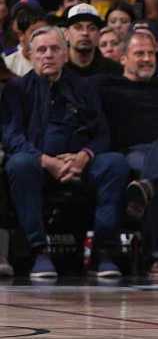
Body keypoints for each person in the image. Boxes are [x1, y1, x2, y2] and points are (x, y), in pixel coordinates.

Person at [1, 26, 129, 279]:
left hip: (79, 163)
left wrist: (84, 156)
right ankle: (39, 251)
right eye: (41, 50)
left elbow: (102, 133)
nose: (48, 55)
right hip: (38, 163)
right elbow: (12, 136)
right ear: (30, 55)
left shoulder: (84, 87)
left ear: (65, 54)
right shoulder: (17, 89)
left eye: (54, 49)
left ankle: (102, 253)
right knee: (19, 164)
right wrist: (46, 161)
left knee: (115, 163)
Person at [95, 31, 158, 276]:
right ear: (123, 58)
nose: (146, 59)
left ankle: (143, 188)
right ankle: (156, 257)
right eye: (139, 53)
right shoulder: (106, 86)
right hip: (127, 154)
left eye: (150, 53)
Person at [63, 3, 123, 77]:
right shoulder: (58, 68)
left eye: (92, 28)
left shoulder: (114, 71)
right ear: (66, 34)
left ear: (99, 35)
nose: (85, 33)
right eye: (78, 28)